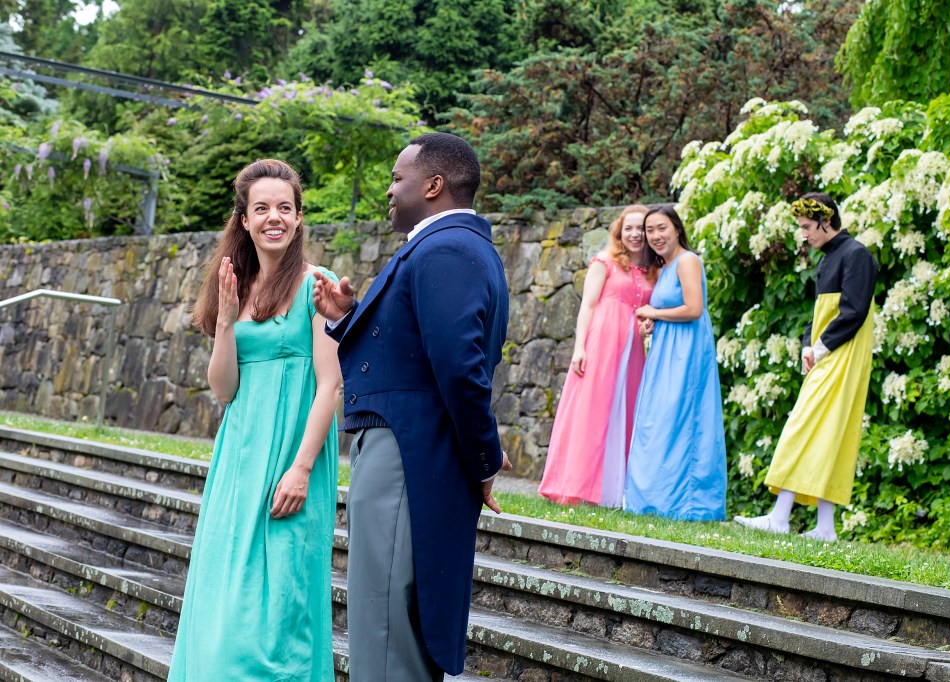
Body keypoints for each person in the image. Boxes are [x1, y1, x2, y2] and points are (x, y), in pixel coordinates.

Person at [311, 132, 511, 680]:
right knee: (393, 621)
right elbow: (420, 349)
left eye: (398, 179)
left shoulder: (447, 247)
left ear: (434, 184)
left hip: (406, 454)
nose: (389, 191)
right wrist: (349, 317)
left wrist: (486, 456)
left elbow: (458, 364)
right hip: (414, 449)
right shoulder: (451, 246)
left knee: (384, 624)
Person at [169, 159, 342, 680]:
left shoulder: (318, 284)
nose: (274, 217)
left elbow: (331, 384)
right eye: (261, 208)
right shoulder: (233, 288)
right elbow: (224, 389)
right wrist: (225, 320)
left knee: (283, 601)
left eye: (284, 208)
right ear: (242, 219)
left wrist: (302, 468)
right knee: (228, 593)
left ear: (298, 218)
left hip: (295, 453)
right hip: (240, 454)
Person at [734, 192, 878, 542]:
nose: (803, 234)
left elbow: (854, 311)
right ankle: (825, 528)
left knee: (803, 424)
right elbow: (819, 312)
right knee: (826, 432)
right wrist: (806, 347)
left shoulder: (856, 255)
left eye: (806, 227)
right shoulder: (829, 258)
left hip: (843, 353)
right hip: (830, 351)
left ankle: (780, 517)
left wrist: (820, 347)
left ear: (825, 221)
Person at [539, 205, 658, 507]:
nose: (634, 234)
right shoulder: (604, 262)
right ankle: (576, 488)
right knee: (590, 414)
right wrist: (580, 347)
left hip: (633, 352)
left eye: (640, 228)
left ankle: (613, 492)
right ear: (619, 232)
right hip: (602, 344)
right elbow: (588, 306)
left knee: (626, 412)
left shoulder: (651, 271)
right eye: (628, 228)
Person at [624, 205, 727, 521]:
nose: (655, 236)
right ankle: (655, 499)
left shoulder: (688, 261)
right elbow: (673, 307)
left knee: (681, 419)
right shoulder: (667, 267)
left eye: (661, 228)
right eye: (650, 230)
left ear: (677, 229)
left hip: (687, 354)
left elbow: (694, 308)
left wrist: (654, 313)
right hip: (667, 350)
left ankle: (689, 504)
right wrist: (656, 323)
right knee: (660, 421)